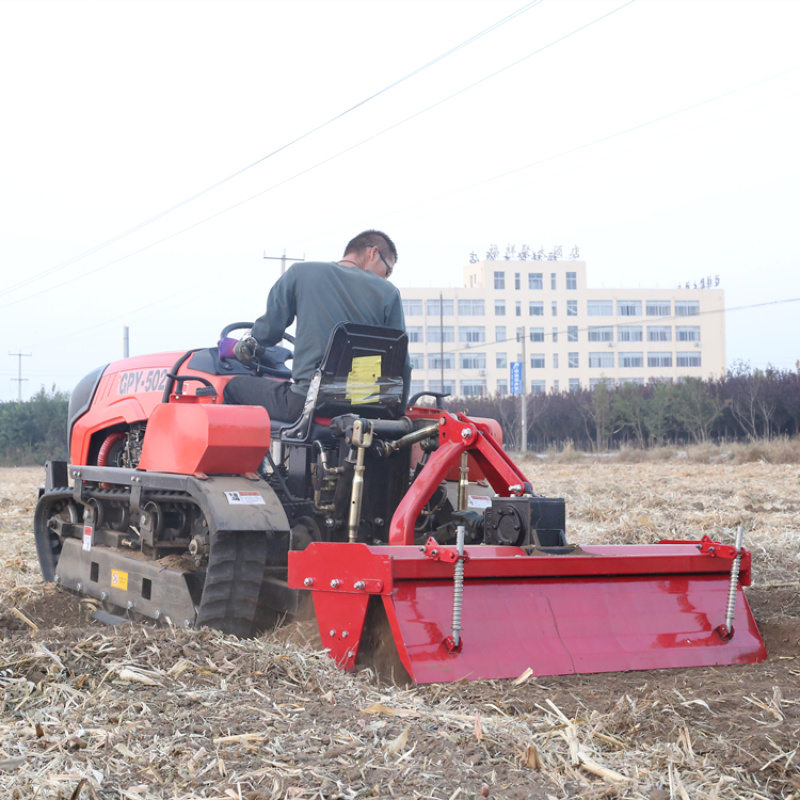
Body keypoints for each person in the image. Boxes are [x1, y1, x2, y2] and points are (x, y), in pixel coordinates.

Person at [223, 229, 410, 422]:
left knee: (232, 387)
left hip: (306, 402)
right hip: (364, 408)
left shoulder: (301, 273)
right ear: (373, 253)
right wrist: (396, 415)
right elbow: (402, 361)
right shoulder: (388, 293)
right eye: (387, 271)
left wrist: (238, 349)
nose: (385, 278)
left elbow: (267, 333)